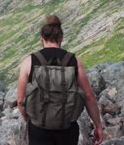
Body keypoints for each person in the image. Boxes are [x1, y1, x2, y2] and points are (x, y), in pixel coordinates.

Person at [17, 15, 103, 145]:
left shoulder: (29, 62)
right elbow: (89, 97)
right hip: (67, 129)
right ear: (61, 38)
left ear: (41, 39)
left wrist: (29, 119)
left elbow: (20, 100)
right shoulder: (74, 61)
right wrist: (98, 126)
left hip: (38, 129)